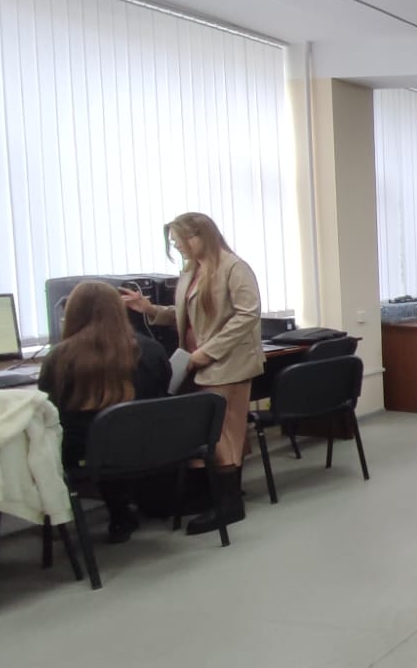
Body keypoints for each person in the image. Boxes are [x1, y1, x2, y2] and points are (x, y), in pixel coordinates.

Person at [121, 212, 263, 535]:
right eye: (173, 242)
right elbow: (188, 314)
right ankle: (210, 497)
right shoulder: (191, 271)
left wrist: (207, 352)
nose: (177, 247)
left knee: (224, 434)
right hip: (196, 363)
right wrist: (149, 310)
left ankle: (230, 504)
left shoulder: (234, 268)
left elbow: (248, 315)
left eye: (180, 241)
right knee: (206, 432)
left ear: (200, 236)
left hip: (226, 365)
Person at [40, 282, 171, 544]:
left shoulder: (59, 358)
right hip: (148, 444)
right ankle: (131, 507)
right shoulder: (152, 349)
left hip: (87, 451)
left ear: (72, 313)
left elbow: (48, 403)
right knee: (114, 434)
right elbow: (164, 385)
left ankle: (107, 514)